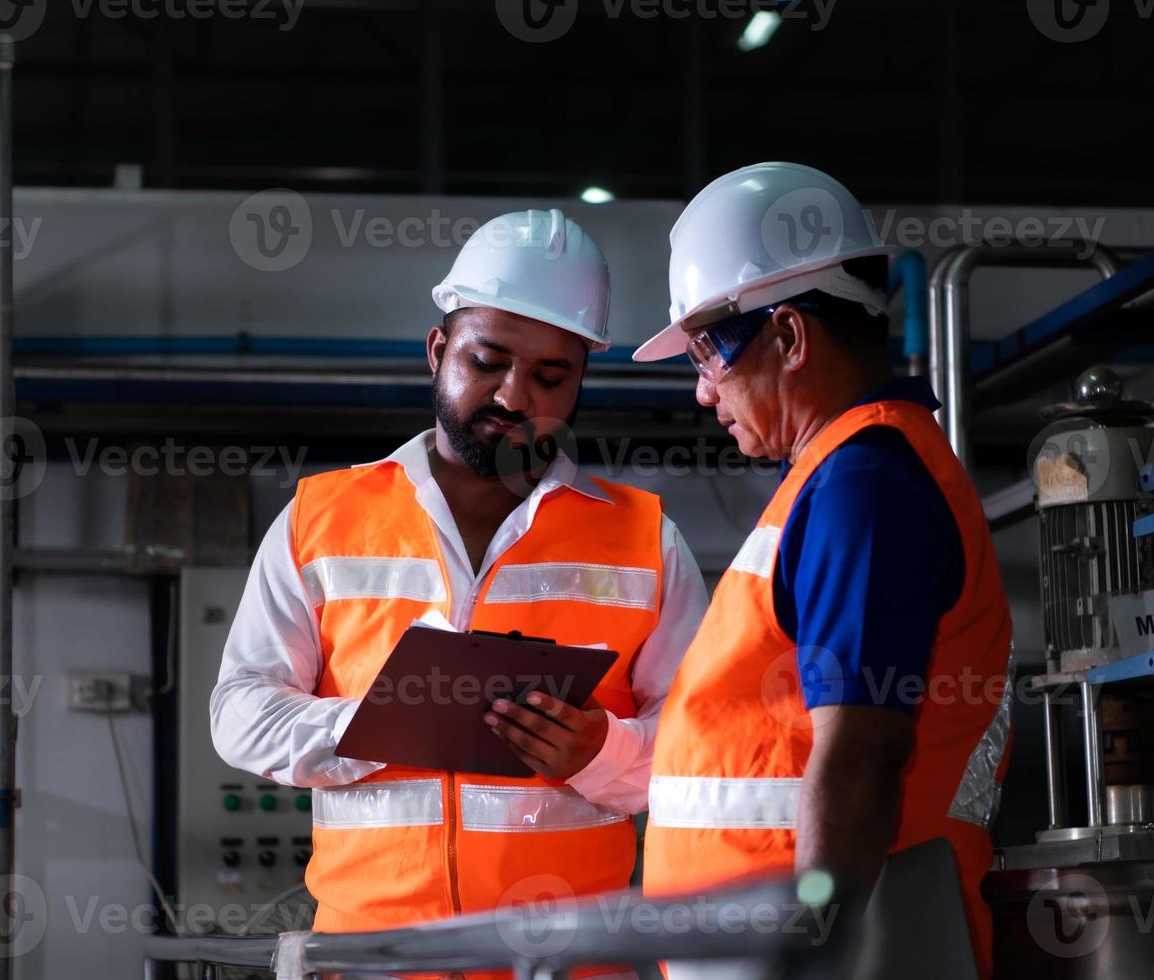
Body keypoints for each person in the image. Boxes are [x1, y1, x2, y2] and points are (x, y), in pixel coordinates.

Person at [211, 208, 709, 954]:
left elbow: (701, 743)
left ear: (579, 382)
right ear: (437, 349)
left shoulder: (645, 539)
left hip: (566, 965)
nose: (514, 397)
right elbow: (238, 712)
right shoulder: (320, 519)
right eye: (488, 361)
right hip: (369, 962)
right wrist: (378, 722)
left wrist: (601, 753)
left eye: (549, 376)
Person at [633, 163, 1014, 979]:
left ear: (789, 337)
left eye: (706, 353)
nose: (702, 393)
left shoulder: (863, 487)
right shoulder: (832, 480)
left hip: (839, 953)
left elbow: (862, 749)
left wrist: (816, 946)